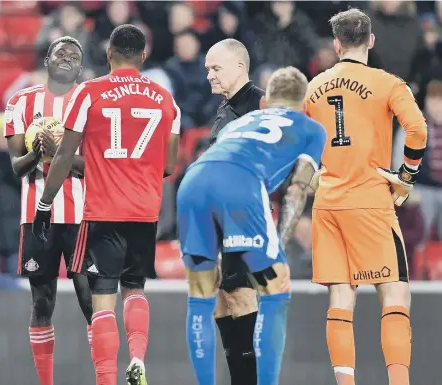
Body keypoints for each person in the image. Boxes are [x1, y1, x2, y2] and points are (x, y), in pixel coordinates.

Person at [32, 24, 181, 385]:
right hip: (146, 212)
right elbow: (167, 166)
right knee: (135, 289)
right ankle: (139, 359)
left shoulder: (89, 93)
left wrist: (45, 203)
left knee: (103, 300)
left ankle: (106, 381)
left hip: (103, 212)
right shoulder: (165, 99)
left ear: (109, 53)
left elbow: (65, 157)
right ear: (143, 57)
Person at [177, 66, 327, 385]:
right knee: (276, 286)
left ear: (268, 98)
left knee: (202, 295)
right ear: (303, 103)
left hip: (192, 181)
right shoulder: (311, 128)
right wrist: (280, 246)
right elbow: (298, 189)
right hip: (240, 183)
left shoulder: (243, 121)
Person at [305, 9, 427, 385]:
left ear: (336, 44)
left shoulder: (313, 87)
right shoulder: (388, 83)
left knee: (341, 300)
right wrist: (405, 177)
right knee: (394, 296)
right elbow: (418, 131)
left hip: (327, 203)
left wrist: (311, 175)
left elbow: (299, 140)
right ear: (371, 41)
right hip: (370, 200)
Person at [3, 36, 93, 385]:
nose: (68, 58)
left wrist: (62, 154)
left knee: (90, 297)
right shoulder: (20, 103)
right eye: (61, 53)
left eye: (75, 55)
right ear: (48, 59)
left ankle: (104, 377)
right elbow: (16, 167)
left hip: (81, 214)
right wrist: (38, 151)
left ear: (81, 67)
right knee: (42, 300)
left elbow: (97, 166)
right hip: (35, 216)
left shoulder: (90, 102)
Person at [204, 38, 264, 385]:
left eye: (216, 68)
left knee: (242, 298)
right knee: (223, 301)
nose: (210, 75)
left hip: (244, 217)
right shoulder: (226, 107)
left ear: (240, 67)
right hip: (219, 218)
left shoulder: (259, 103)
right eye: (208, 69)